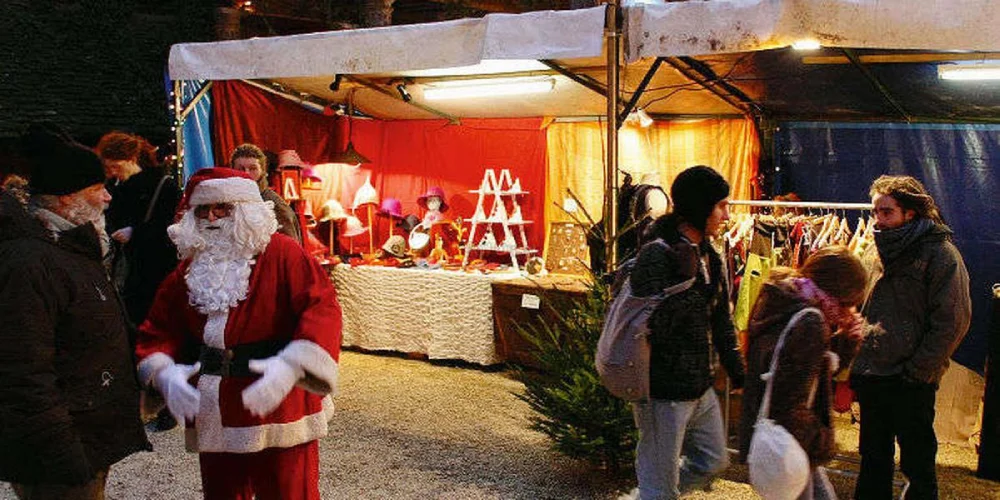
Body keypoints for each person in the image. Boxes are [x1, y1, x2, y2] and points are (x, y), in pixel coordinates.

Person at [135, 167, 341, 500]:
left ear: (245, 210)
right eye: (202, 209)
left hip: (277, 398)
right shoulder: (188, 267)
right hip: (215, 402)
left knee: (289, 491)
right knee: (223, 493)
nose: (211, 217)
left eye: (222, 208)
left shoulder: (283, 253)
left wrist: (294, 365)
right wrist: (164, 373)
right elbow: (160, 326)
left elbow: (322, 308)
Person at [0, 123, 150, 499]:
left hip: (86, 441)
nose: (108, 198)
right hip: (59, 453)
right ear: (66, 198)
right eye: (97, 189)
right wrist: (63, 452)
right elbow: (23, 370)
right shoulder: (31, 263)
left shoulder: (71, 249)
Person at [628, 165, 746, 499]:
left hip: (700, 385)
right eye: (721, 205)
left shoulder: (710, 254)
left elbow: (721, 318)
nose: (726, 214)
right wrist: (684, 284)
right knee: (659, 486)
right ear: (700, 206)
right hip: (662, 389)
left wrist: (737, 370)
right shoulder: (658, 253)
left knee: (713, 461)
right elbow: (647, 323)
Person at [850, 175, 971, 500]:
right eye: (875, 212)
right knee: (873, 462)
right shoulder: (877, 254)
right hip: (874, 375)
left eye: (886, 212)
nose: (878, 220)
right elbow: (864, 306)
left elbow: (952, 322)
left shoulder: (942, 256)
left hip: (910, 382)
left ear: (911, 213)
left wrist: (917, 373)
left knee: (917, 467)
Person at [739, 246, 868, 500]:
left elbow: (808, 372)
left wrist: (845, 342)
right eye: (847, 303)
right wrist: (822, 441)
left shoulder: (781, 298)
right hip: (791, 440)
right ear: (835, 292)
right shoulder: (810, 321)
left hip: (778, 433)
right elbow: (791, 402)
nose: (849, 312)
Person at [96, 131, 181, 327]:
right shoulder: (114, 189)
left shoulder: (163, 186)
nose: (113, 172)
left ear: (132, 159)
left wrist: (135, 233)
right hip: (125, 270)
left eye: (116, 166)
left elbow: (171, 227)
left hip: (153, 271)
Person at [229, 143, 302, 244]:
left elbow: (290, 250)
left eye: (253, 169)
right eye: (240, 169)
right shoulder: (228, 200)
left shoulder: (274, 205)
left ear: (262, 172)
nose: (246, 173)